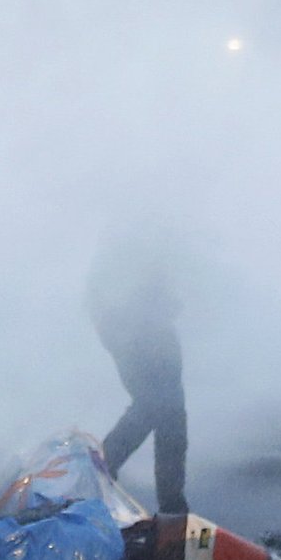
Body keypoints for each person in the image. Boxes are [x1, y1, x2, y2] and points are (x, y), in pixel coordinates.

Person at [88, 222, 188, 519]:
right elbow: (126, 296)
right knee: (155, 407)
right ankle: (102, 467)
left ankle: (172, 506)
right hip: (139, 337)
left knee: (167, 414)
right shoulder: (130, 244)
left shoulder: (138, 242)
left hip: (148, 335)